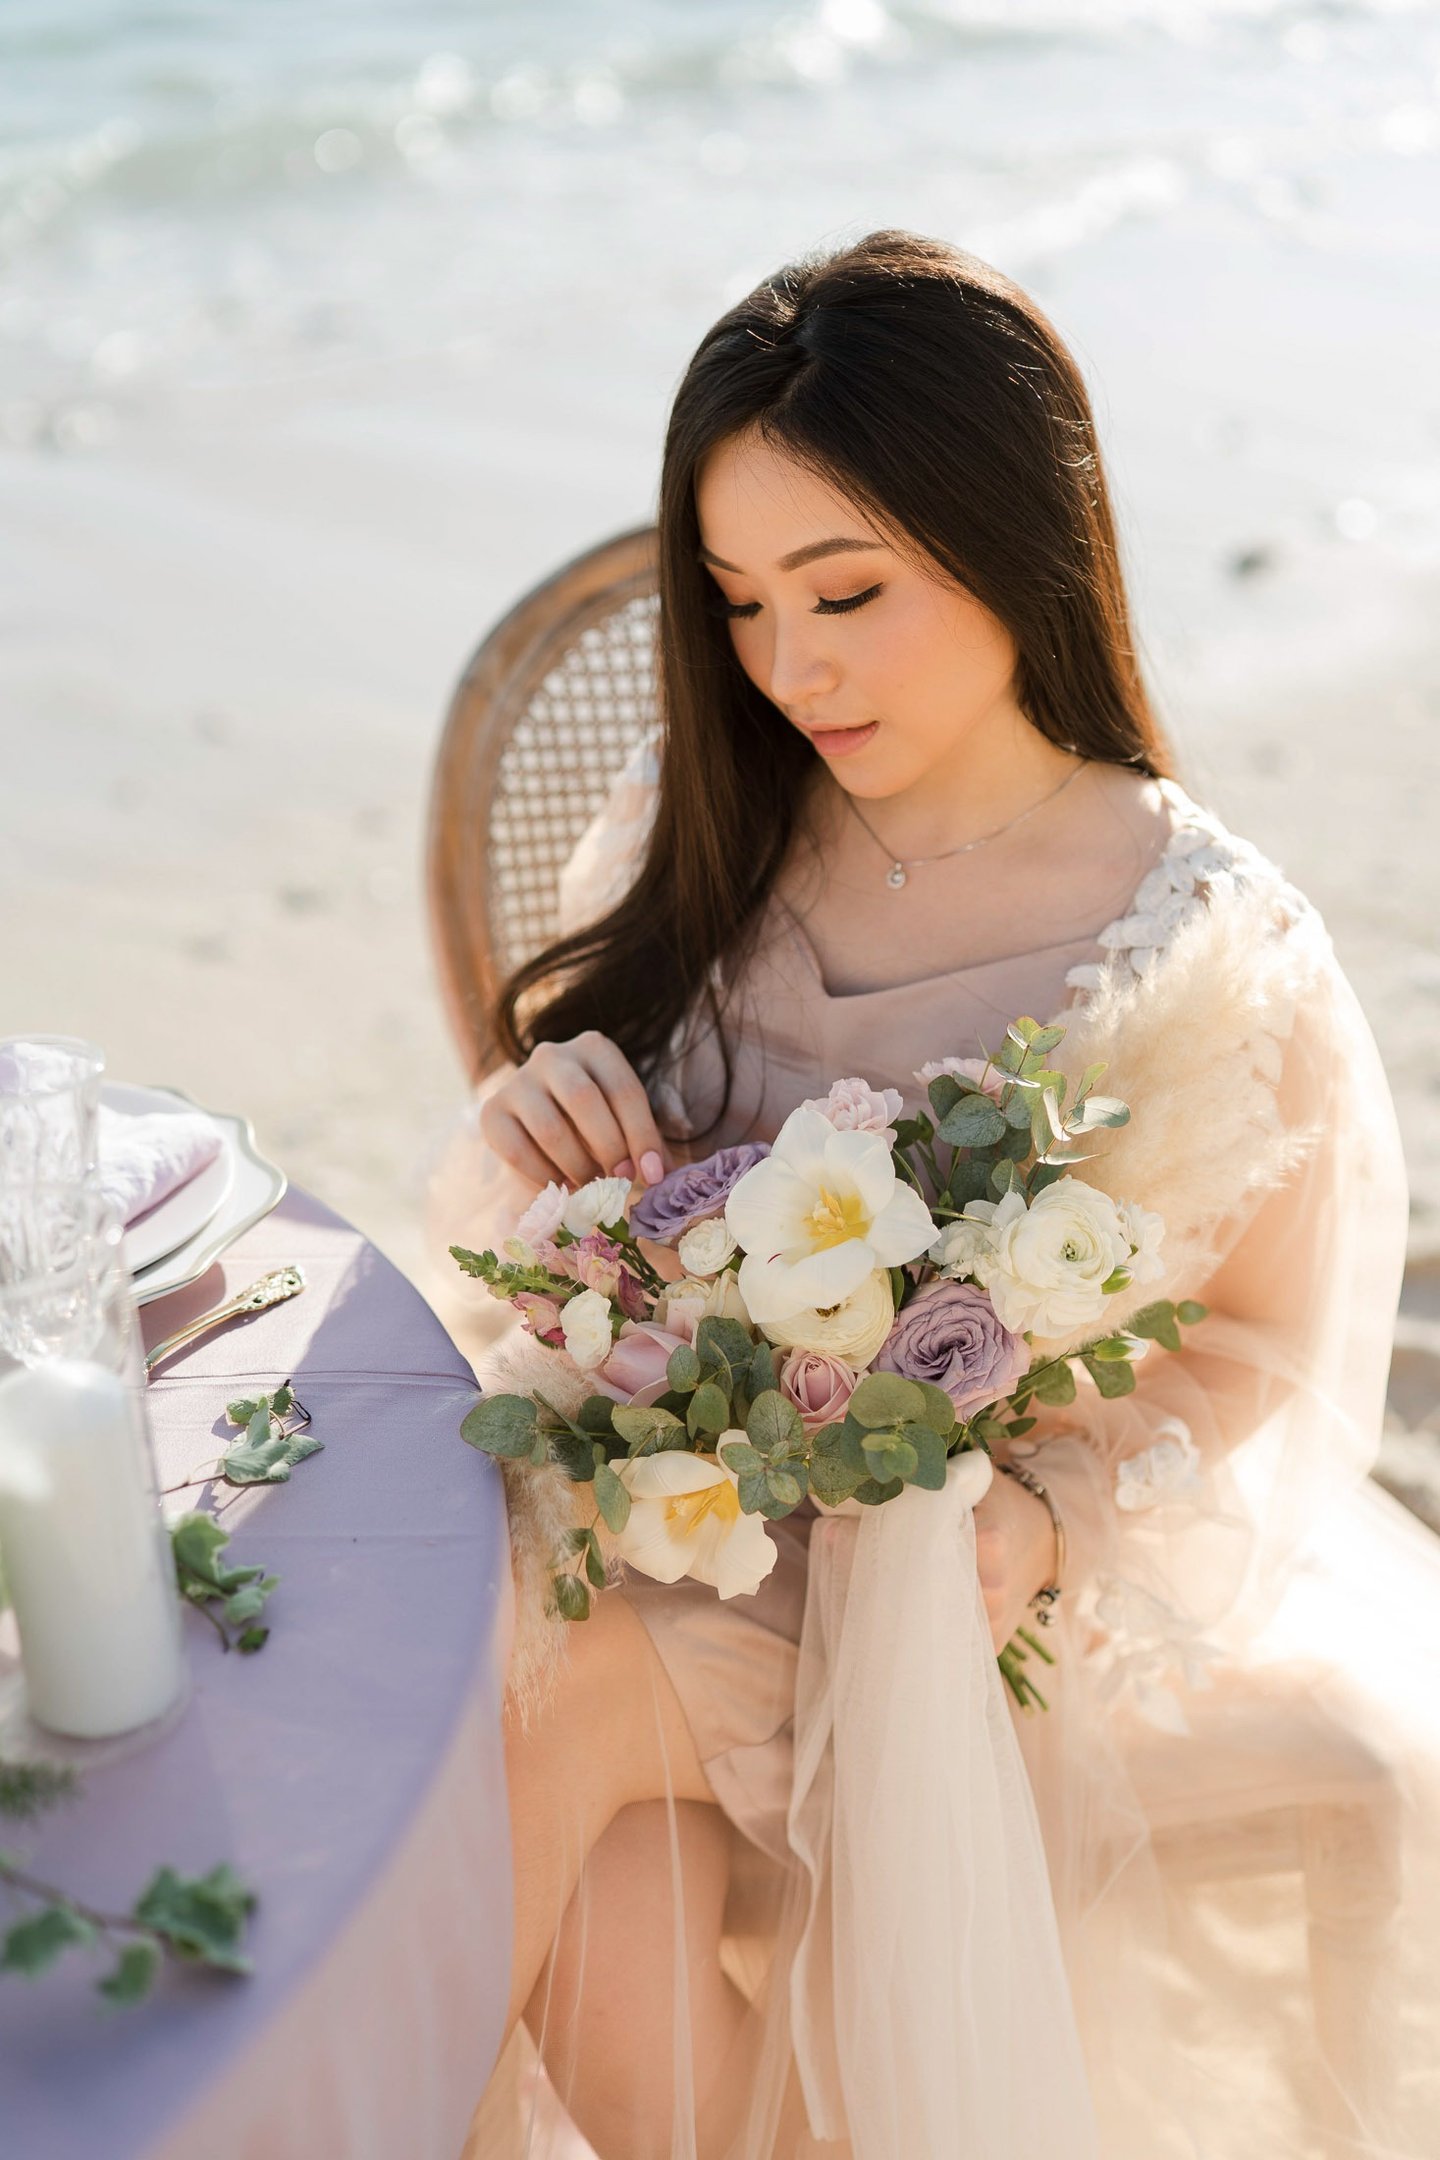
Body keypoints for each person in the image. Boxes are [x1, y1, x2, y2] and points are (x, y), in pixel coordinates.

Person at [422, 229, 1440, 2158]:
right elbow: (543, 1220)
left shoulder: (1199, 946)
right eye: (737, 604)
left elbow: (1261, 1358)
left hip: (965, 1602)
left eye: (845, 592)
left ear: (1009, 537)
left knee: (511, 1719)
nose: (787, 668)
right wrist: (543, 1115)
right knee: (594, 1901)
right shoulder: (699, 808)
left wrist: (1046, 1525)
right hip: (683, 1514)